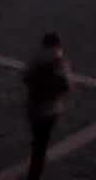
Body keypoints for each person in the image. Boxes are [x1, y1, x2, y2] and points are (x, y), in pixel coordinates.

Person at [23, 31, 72, 179]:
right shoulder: (60, 61)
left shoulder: (36, 59)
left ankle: (34, 169)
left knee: (37, 140)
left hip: (35, 106)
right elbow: (66, 86)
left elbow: (25, 77)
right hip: (51, 109)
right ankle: (36, 172)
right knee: (42, 143)